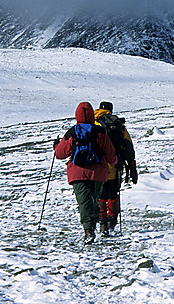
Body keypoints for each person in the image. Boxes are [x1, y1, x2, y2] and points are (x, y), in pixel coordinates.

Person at [53, 101, 117, 244]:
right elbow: (110, 153)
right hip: (98, 173)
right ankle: (93, 228)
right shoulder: (100, 132)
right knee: (95, 200)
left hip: (77, 173)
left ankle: (88, 231)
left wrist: (56, 146)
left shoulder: (72, 132)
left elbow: (60, 153)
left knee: (84, 202)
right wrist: (114, 163)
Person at [93, 101, 137, 235]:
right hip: (116, 166)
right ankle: (112, 221)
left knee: (100, 196)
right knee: (113, 195)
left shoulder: (93, 123)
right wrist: (132, 166)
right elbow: (128, 145)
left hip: (98, 168)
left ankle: (102, 224)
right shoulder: (118, 125)